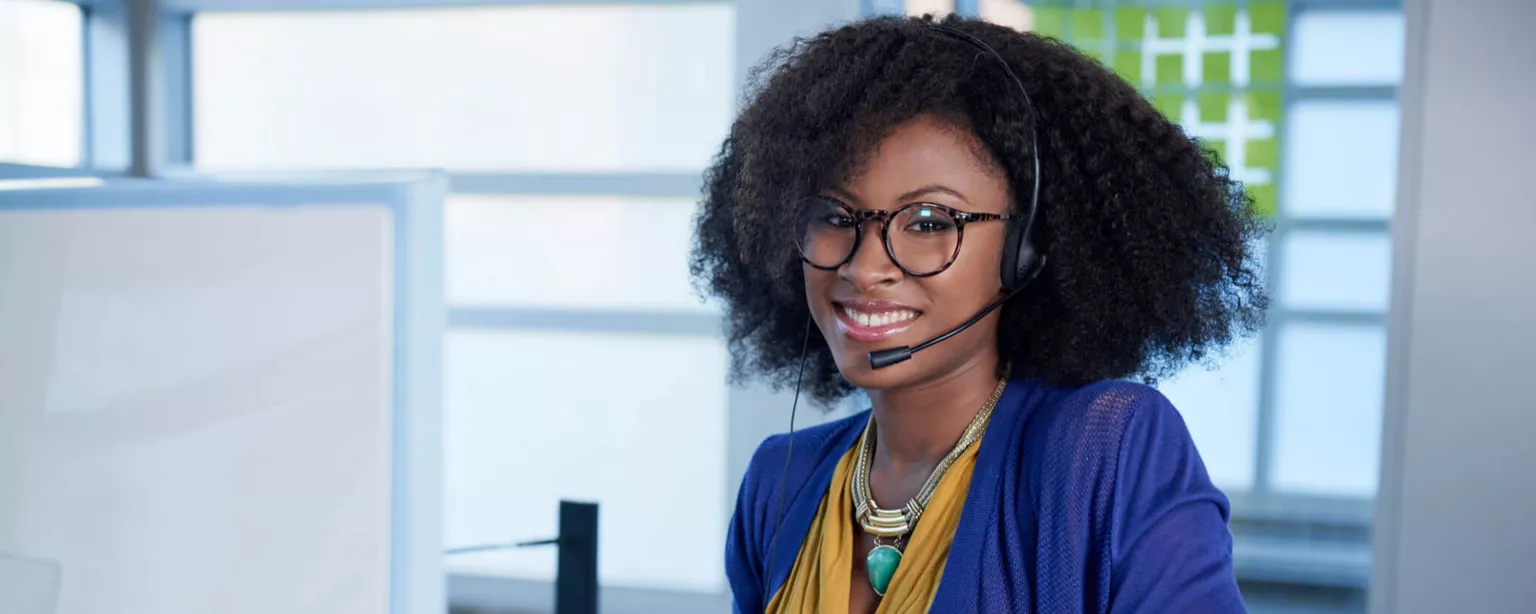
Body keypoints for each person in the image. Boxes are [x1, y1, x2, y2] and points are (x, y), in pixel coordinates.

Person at [691, 13, 1267, 614]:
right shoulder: (778, 482)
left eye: (928, 223)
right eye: (836, 217)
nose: (863, 268)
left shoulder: (1105, 452)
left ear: (1026, 254)